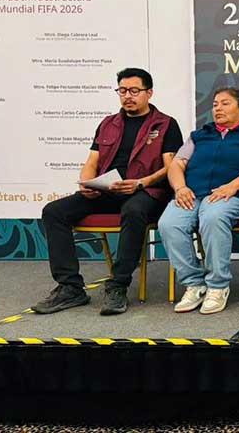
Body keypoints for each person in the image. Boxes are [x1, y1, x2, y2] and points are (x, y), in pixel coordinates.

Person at [32, 68, 183, 316]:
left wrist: (140, 183)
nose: (127, 96)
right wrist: (87, 183)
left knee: (133, 211)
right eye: (122, 91)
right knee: (54, 211)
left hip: (147, 192)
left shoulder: (166, 124)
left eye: (134, 91)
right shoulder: (108, 124)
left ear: (149, 93)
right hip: (107, 190)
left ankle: (118, 286)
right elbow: (92, 160)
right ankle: (70, 287)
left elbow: (171, 166)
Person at [159, 88, 239, 314]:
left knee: (212, 216)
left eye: (225, 103)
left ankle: (218, 286)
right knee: (169, 223)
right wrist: (180, 188)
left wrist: (232, 186)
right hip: (193, 194)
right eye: (215, 104)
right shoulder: (198, 136)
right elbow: (176, 165)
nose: (218, 108)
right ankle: (194, 283)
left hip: (234, 195)